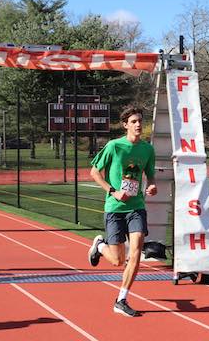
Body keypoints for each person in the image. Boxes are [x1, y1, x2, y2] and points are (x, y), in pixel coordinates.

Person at [87, 106, 157, 317]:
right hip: (115, 208)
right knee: (117, 260)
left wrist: (152, 186)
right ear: (125, 125)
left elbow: (150, 175)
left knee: (135, 252)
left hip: (136, 207)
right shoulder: (114, 146)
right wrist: (113, 191)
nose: (138, 125)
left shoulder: (147, 149)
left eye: (140, 121)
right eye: (134, 121)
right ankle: (99, 246)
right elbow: (94, 172)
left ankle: (121, 299)